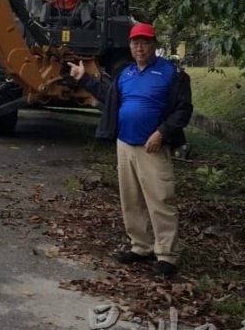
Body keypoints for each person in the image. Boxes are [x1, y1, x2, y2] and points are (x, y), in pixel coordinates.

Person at [69, 23, 193, 278]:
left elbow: (183, 110)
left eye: (145, 42)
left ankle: (167, 255)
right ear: (131, 46)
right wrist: (84, 78)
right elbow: (108, 95)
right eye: (135, 43)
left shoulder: (172, 73)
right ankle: (141, 246)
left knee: (160, 200)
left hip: (152, 147)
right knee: (131, 199)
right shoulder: (126, 74)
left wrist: (162, 133)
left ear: (154, 45)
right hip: (125, 144)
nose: (140, 47)